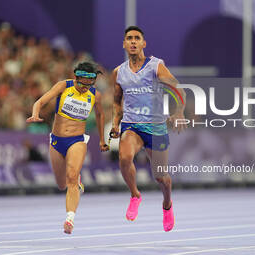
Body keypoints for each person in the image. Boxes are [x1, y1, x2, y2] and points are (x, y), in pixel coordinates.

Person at [110, 26, 186, 232]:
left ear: (144, 43)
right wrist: (116, 123)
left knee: (162, 178)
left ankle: (167, 204)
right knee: (125, 157)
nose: (133, 41)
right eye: (129, 38)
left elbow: (177, 90)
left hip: (156, 126)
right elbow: (117, 101)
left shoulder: (156, 66)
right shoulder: (118, 72)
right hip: (131, 125)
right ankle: (135, 194)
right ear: (124, 44)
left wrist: (178, 112)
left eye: (137, 38)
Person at [26, 62, 109, 234]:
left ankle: (70, 219)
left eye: (89, 85)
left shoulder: (95, 95)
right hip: (57, 141)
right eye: (82, 84)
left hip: (77, 141)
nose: (85, 88)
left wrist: (102, 139)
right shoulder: (64, 86)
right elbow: (40, 101)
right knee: (61, 184)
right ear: (75, 78)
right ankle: (74, 180)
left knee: (71, 178)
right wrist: (35, 114)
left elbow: (100, 115)